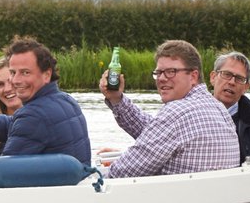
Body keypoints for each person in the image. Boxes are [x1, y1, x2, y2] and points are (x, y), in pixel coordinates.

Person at [98, 39, 237, 177]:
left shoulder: (176, 111)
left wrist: (91, 176)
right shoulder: (219, 110)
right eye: (158, 73)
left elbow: (124, 172)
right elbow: (154, 131)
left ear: (193, 76)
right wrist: (116, 99)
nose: (162, 79)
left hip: (177, 197)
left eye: (171, 71)